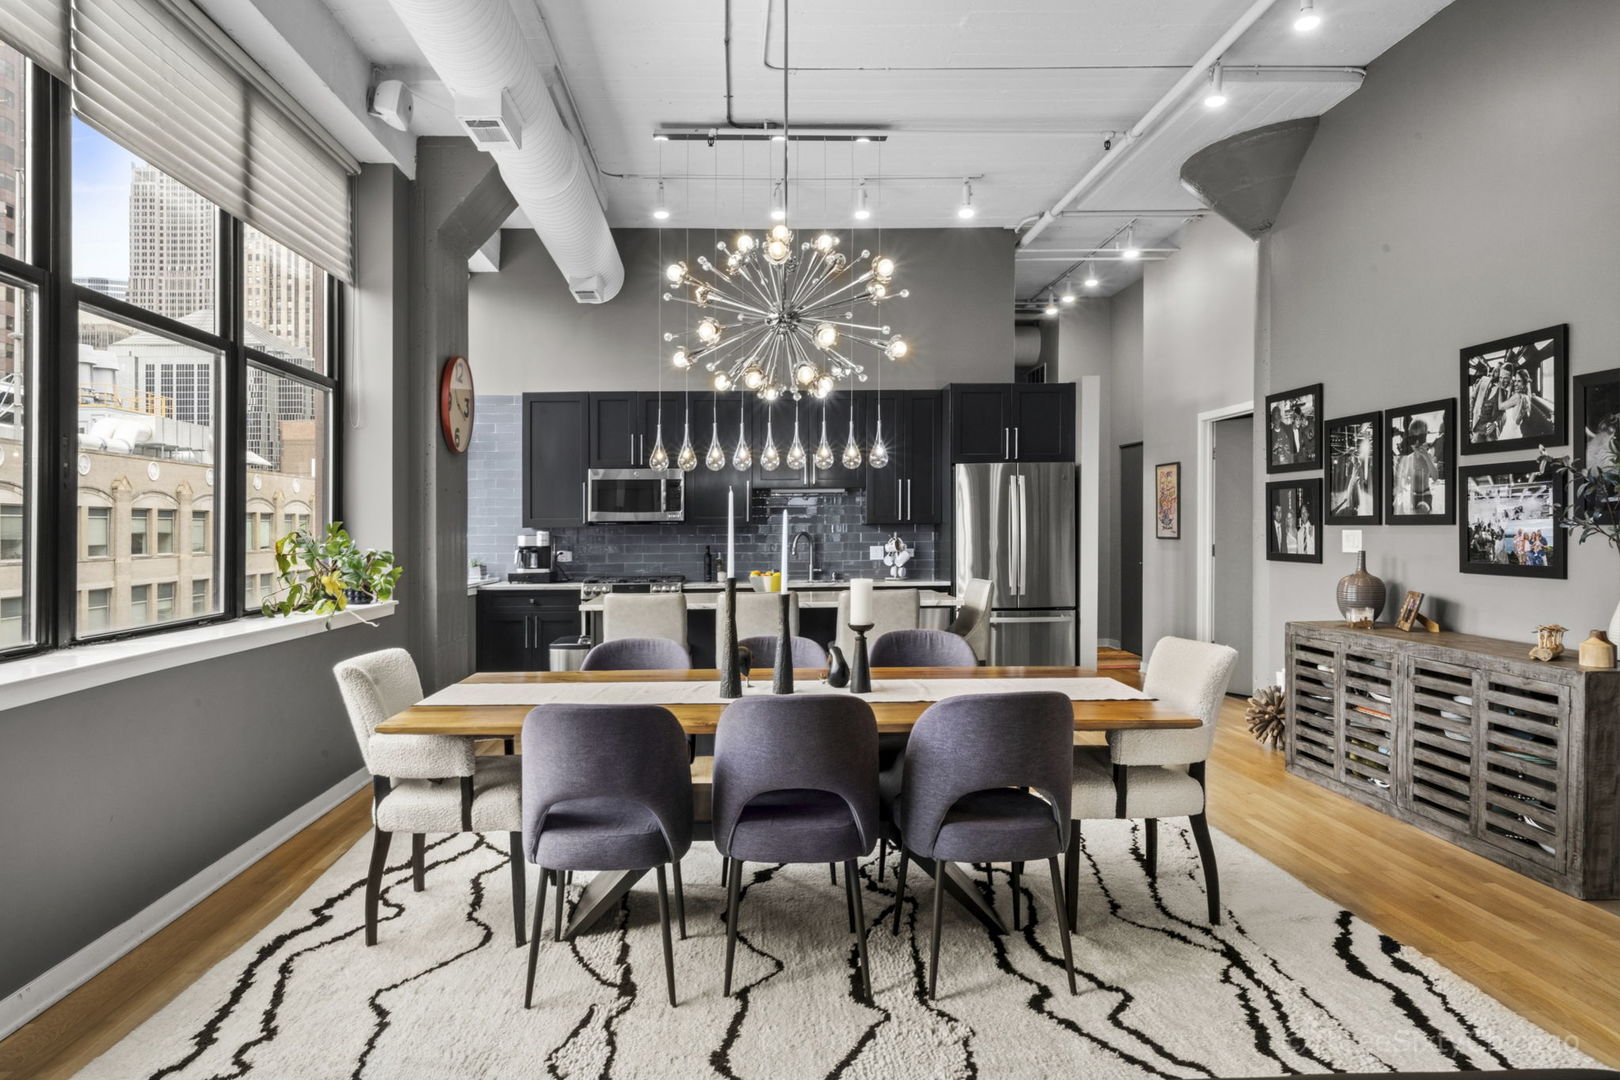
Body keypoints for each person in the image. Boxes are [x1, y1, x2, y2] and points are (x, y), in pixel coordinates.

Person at [1394, 418, 1438, 515]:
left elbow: (1435, 477)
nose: (1417, 442)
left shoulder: (1429, 456)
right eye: (1413, 439)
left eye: (1421, 438)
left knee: (1420, 512)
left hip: (1425, 495)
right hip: (1412, 496)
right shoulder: (1408, 458)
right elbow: (1403, 480)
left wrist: (1426, 456)